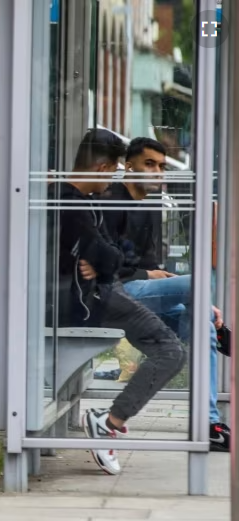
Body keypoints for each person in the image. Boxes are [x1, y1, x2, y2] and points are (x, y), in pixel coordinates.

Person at [58, 128, 187, 475]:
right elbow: (111, 258)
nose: (115, 179)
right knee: (172, 349)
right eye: (115, 169)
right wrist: (101, 260)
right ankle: (108, 420)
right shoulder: (74, 205)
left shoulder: (84, 202)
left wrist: (100, 260)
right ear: (104, 169)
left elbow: (112, 255)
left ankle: (111, 420)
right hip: (94, 300)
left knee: (186, 329)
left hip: (100, 292)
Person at [100, 137, 230, 452]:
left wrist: (169, 282)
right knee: (200, 284)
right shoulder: (110, 200)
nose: (157, 172)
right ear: (128, 165)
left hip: (141, 292)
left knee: (200, 323)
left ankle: (208, 422)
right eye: (149, 164)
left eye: (161, 166)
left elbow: (148, 263)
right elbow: (106, 266)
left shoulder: (151, 204)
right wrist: (152, 275)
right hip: (116, 293)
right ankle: (222, 333)